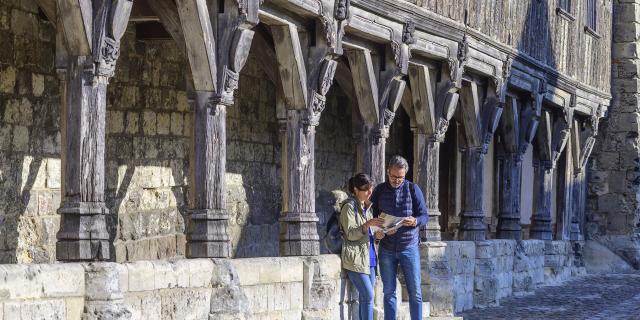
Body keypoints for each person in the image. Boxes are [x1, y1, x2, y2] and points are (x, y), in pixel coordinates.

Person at [370, 155, 428, 320]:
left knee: (415, 292)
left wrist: (416, 221)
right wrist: (377, 232)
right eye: (393, 176)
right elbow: (371, 217)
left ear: (405, 175)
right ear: (388, 172)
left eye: (400, 177)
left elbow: (424, 215)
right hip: (386, 249)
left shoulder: (412, 189)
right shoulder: (379, 191)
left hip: (409, 247)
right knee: (388, 292)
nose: (396, 180)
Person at [339, 173, 385, 320]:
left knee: (367, 299)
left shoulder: (368, 208)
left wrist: (378, 236)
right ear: (356, 190)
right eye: (366, 189)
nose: (369, 192)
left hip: (370, 258)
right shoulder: (349, 207)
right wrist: (367, 224)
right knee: (368, 295)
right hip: (355, 259)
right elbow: (351, 234)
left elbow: (368, 235)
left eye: (370, 188)